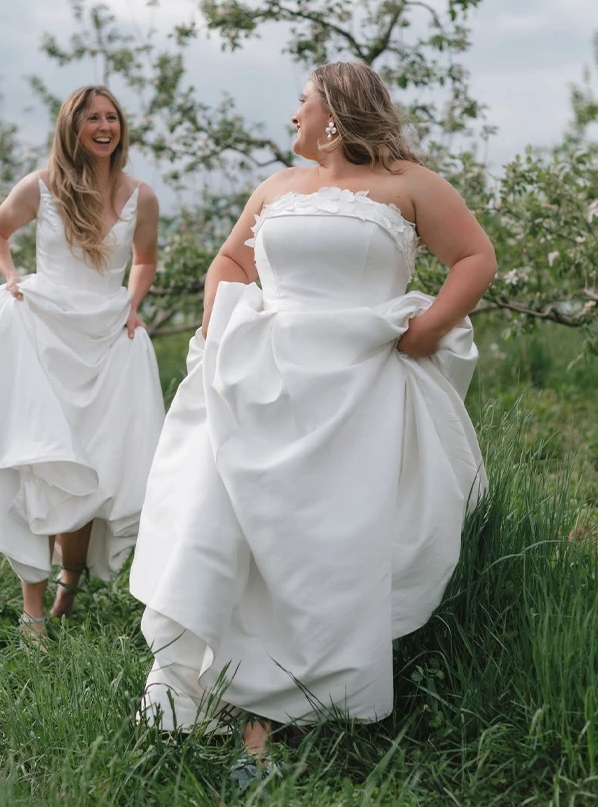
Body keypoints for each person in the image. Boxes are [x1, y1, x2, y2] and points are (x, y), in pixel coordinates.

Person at [129, 62, 496, 763]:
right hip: (261, 384)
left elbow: (475, 257)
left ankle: (283, 716)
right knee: (228, 531)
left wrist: (429, 328)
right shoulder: (276, 188)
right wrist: (216, 336)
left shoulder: (409, 184)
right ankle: (232, 700)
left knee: (324, 547)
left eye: (300, 102)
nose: (290, 116)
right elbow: (231, 265)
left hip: (359, 391)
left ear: (336, 111)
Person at [0, 85, 165, 647]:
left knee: (88, 468)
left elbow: (145, 258)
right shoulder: (43, 187)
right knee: (37, 462)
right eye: (92, 119)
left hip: (105, 338)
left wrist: (132, 306)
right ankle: (33, 608)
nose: (104, 127)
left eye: (112, 118)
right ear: (71, 127)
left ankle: (67, 590)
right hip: (44, 331)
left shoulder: (141, 196)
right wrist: (10, 277)